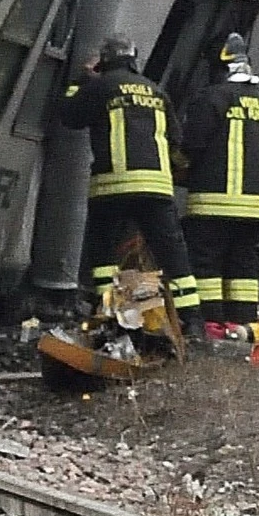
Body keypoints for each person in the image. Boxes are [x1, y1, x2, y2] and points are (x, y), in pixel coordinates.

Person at [55, 39, 203, 337]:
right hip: (157, 189)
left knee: (103, 255)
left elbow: (70, 116)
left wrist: (80, 80)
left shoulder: (101, 86)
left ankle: (108, 312)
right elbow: (176, 141)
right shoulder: (156, 91)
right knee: (173, 255)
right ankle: (193, 322)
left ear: (104, 61)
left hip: (113, 186)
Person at [176, 34, 259, 334]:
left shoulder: (211, 98)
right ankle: (242, 322)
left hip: (214, 200)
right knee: (243, 265)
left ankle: (209, 322)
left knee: (206, 263)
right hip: (255, 204)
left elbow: (192, 146)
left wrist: (173, 165)